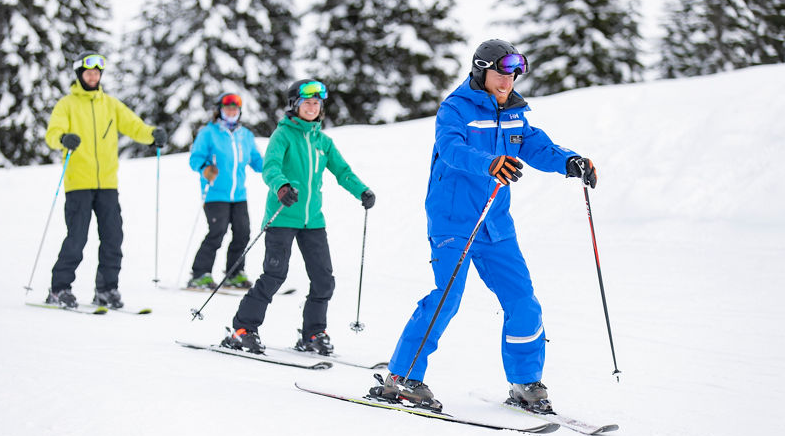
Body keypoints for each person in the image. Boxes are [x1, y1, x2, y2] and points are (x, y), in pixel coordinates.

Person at [371, 39, 598, 413]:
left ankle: (525, 383)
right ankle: (402, 377)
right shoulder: (455, 109)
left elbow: (535, 145)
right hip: (454, 220)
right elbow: (452, 149)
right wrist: (490, 162)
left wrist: (570, 162)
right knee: (446, 298)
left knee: (524, 301)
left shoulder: (514, 112)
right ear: (481, 69)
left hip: (495, 224)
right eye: (501, 71)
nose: (508, 79)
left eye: (514, 72)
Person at [221, 79, 376, 355]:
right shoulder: (283, 135)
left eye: (317, 103)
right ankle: (243, 329)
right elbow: (270, 167)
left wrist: (361, 190)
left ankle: (313, 333)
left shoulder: (323, 141)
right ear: (295, 105)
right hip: (282, 217)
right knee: (274, 275)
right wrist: (281, 186)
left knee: (323, 279)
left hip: (313, 221)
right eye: (307, 103)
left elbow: (343, 171)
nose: (313, 107)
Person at [44, 51, 167, 309]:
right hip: (78, 183)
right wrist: (63, 139)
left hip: (108, 184)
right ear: (80, 75)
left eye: (97, 73)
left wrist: (152, 135)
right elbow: (52, 133)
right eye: (88, 72)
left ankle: (107, 289)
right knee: (77, 238)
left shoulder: (110, 104)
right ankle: (59, 289)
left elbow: (134, 126)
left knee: (113, 237)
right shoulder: (67, 105)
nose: (93, 76)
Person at [186, 93, 263, 290]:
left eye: (235, 109)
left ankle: (234, 274)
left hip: (239, 195)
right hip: (215, 193)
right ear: (219, 110)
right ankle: (200, 274)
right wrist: (205, 168)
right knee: (217, 232)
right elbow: (195, 158)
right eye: (227, 108)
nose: (231, 112)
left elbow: (256, 160)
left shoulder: (245, 135)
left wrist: (273, 165)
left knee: (243, 232)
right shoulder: (209, 133)